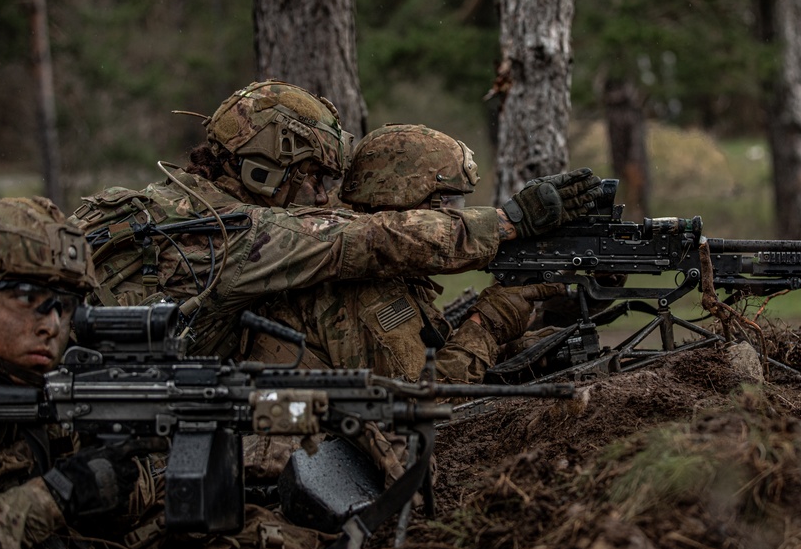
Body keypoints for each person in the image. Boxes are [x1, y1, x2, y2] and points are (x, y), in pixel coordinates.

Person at [70, 80, 604, 361]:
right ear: (262, 170)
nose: (321, 194)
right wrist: (512, 222)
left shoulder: (133, 205)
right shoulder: (242, 234)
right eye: (312, 177)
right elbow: (378, 239)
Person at [244, 123, 566, 383]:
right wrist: (486, 326)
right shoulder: (361, 292)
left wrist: (551, 339)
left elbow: (437, 356)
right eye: (446, 205)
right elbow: (430, 406)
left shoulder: (389, 274)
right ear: (401, 203)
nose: (455, 217)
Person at [0, 197, 150, 549]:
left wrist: (118, 467)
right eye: (28, 298)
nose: (53, 325)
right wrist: (55, 496)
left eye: (64, 304)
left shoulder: (31, 388)